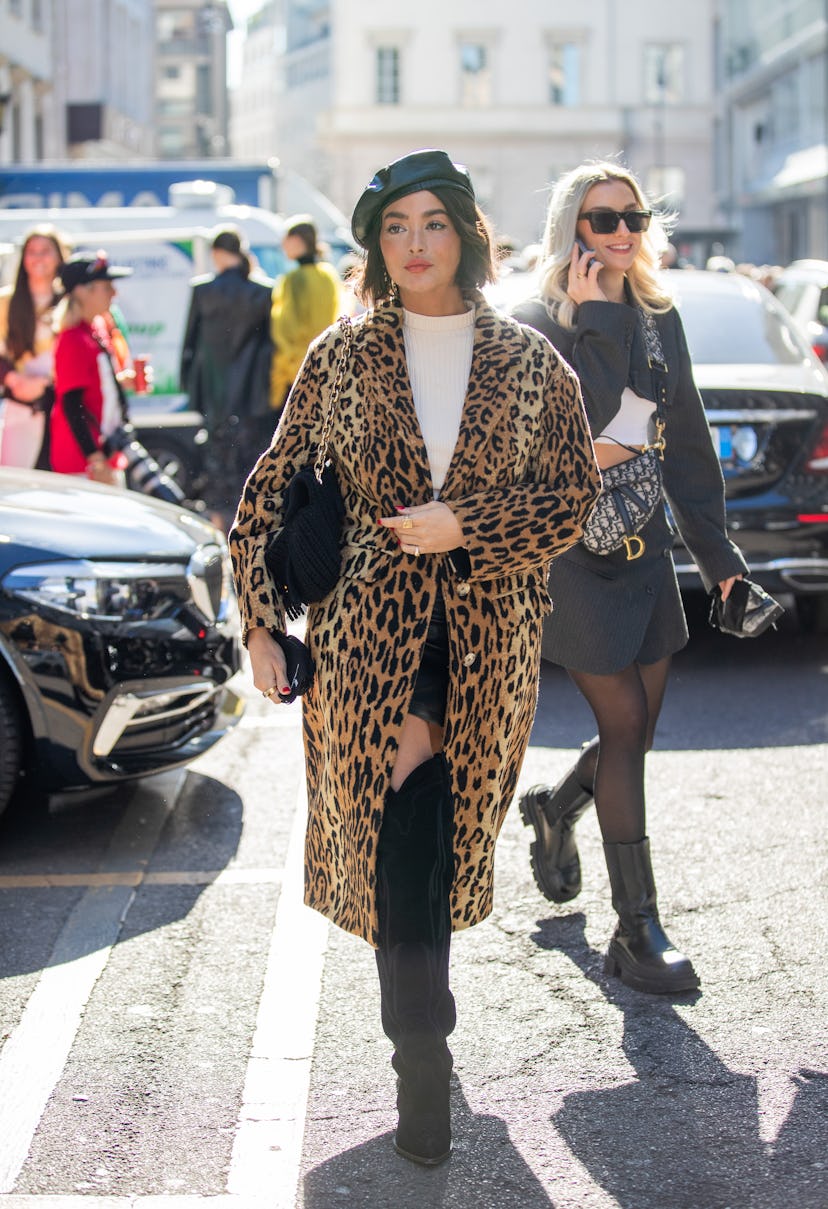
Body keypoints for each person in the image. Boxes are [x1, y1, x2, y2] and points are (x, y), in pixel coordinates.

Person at [229, 149, 601, 1165]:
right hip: (366, 646)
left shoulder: (530, 364)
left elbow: (572, 499)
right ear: (375, 245)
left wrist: (465, 525)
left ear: (468, 235)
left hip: (487, 647)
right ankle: (421, 1061)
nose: (414, 245)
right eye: (394, 228)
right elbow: (267, 496)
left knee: (440, 841)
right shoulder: (341, 358)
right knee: (400, 818)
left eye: (433, 223)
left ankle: (421, 1019)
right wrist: (263, 623)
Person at [512, 161, 748, 996]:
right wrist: (598, 315)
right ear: (571, 229)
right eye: (602, 218)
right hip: (569, 556)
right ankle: (636, 926)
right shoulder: (536, 320)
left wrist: (721, 563)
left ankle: (556, 807)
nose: (620, 232)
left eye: (632, 218)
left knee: (637, 730)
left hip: (644, 547)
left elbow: (682, 441)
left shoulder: (657, 316)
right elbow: (577, 429)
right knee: (626, 721)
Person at [180, 226, 274, 527]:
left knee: (216, 467)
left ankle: (220, 531)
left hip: (213, 394)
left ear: (217, 254)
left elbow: (189, 346)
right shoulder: (263, 292)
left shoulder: (203, 290)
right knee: (249, 464)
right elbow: (270, 347)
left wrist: (189, 389)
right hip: (252, 395)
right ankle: (250, 526)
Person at [49, 251, 134, 485]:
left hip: (103, 457)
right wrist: (94, 458)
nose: (114, 293)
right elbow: (72, 404)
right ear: (82, 291)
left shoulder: (95, 330)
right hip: (83, 466)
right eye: (106, 286)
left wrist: (122, 381)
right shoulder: (73, 339)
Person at [0, 225, 66, 469]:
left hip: (62, 407)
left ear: (59, 256)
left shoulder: (70, 302)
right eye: (32, 251)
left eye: (45, 251)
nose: (38, 258)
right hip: (20, 406)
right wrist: (14, 381)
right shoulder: (6, 302)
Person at [270, 214, 342, 411]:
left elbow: (285, 330)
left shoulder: (293, 280)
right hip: (327, 365)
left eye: (286, 238)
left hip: (296, 371)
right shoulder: (328, 275)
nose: (283, 244)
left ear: (297, 240)